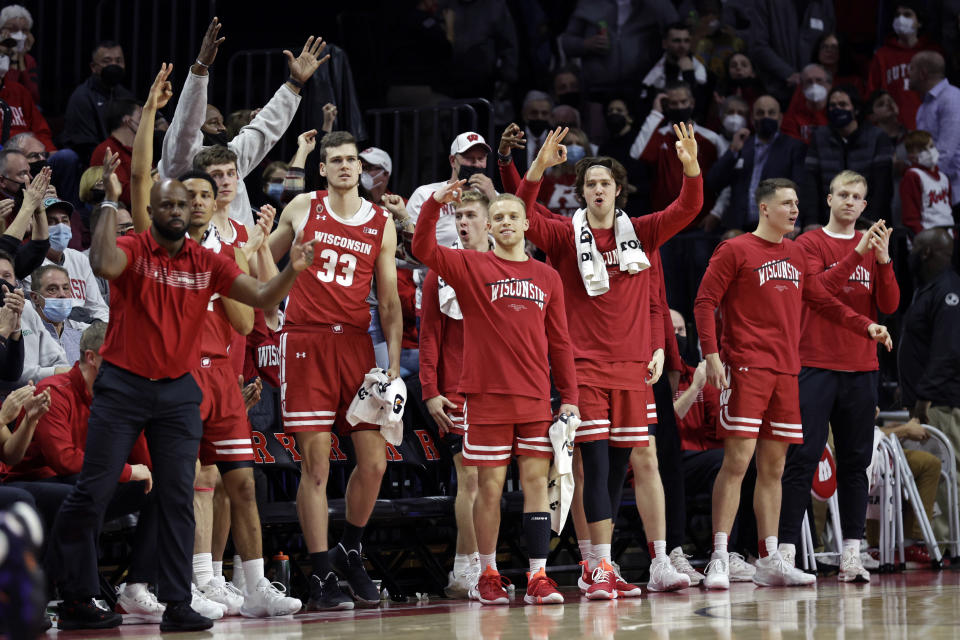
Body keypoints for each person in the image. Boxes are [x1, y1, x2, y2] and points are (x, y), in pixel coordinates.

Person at [46, 115, 319, 631]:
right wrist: (109, 199)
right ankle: (73, 593)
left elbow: (260, 298)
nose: (177, 209)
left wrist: (291, 270)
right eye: (167, 203)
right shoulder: (132, 249)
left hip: (176, 391)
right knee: (92, 491)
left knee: (177, 496)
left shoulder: (207, 261)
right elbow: (102, 263)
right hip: (122, 387)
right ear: (150, 210)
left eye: (184, 203)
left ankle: (177, 601)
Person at [516, 124, 702, 595]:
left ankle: (603, 565)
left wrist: (690, 167)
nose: (598, 190)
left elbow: (689, 207)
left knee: (620, 470)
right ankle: (596, 567)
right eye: (590, 184)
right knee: (594, 467)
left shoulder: (641, 233)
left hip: (633, 369)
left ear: (618, 190)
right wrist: (537, 167)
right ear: (581, 194)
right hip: (582, 369)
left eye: (605, 183)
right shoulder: (561, 236)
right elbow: (523, 212)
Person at [693, 177, 892, 590]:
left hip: (787, 372)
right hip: (746, 367)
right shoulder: (735, 249)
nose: (795, 210)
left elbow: (823, 296)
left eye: (797, 203)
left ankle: (770, 558)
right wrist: (711, 355)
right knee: (738, 462)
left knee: (775, 467)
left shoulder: (795, 253)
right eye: (786, 203)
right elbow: (704, 301)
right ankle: (719, 556)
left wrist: (865, 324)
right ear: (764, 208)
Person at [412, 176, 578, 607]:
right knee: (488, 486)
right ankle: (488, 573)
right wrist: (434, 203)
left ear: (526, 225)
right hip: (483, 396)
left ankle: (538, 575)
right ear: (487, 226)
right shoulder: (469, 266)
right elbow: (422, 250)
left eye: (513, 216)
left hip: (535, 397)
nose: (505, 222)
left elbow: (560, 342)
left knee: (536, 483)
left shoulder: (548, 277)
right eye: (498, 216)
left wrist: (571, 397)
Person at [268, 130, 402, 611]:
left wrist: (392, 365)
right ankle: (321, 571)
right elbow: (264, 262)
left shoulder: (382, 222)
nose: (347, 166)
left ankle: (350, 549)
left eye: (353, 160)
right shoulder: (303, 207)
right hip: (305, 341)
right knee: (317, 464)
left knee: (375, 462)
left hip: (356, 347)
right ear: (322, 168)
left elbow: (388, 301)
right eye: (337, 160)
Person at [177, 169, 301, 618]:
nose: (197, 202)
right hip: (182, 374)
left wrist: (226, 266)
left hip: (224, 378)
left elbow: (248, 324)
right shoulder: (162, 252)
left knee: (242, 484)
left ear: (215, 204)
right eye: (188, 195)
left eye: (205, 196)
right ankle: (196, 581)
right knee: (190, 482)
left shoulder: (227, 252)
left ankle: (253, 585)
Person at [778, 171, 900, 583]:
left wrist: (882, 261)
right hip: (814, 364)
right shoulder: (808, 243)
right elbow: (819, 292)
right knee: (802, 459)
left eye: (858, 197)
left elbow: (888, 303)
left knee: (855, 463)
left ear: (865, 206)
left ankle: (852, 553)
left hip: (862, 368)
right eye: (843, 194)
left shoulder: (874, 247)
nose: (850, 202)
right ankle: (786, 552)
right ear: (829, 199)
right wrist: (857, 253)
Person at [159, 17, 330, 227]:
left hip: (243, 255)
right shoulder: (183, 164)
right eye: (213, 122)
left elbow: (264, 129)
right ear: (200, 128)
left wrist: (294, 84)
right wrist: (200, 69)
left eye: (230, 174)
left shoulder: (233, 157)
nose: (221, 127)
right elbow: (185, 127)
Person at [418, 189, 490, 597]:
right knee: (470, 478)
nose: (462, 223)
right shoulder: (440, 271)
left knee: (491, 482)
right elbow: (429, 336)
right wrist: (430, 390)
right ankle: (466, 568)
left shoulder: (508, 265)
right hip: (457, 392)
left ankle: (482, 566)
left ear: (489, 220)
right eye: (458, 216)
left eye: (470, 215)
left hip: (499, 391)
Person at [899, 229, 960, 486]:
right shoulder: (929, 288)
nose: (909, 255)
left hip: (938, 407)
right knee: (929, 490)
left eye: (914, 249)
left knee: (941, 487)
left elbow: (948, 352)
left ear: (925, 252)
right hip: (930, 403)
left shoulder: (948, 290)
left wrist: (924, 396)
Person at [799, 85, 894, 228]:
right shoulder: (819, 138)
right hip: (829, 221)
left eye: (843, 104)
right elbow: (811, 183)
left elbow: (883, 186)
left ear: (855, 109)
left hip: (866, 220)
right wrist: (811, 221)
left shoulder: (877, 137)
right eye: (832, 106)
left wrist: (873, 221)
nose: (837, 109)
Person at [707, 95, 807, 231]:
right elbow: (713, 182)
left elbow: (799, 188)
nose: (766, 117)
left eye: (771, 113)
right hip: (740, 227)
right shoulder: (743, 145)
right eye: (760, 113)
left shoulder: (793, 147)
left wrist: (795, 221)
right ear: (752, 119)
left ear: (780, 118)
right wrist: (733, 151)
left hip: (775, 225)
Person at [559, 0, 679, 95]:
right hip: (597, 88)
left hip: (641, 86)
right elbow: (567, 43)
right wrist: (586, 44)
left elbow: (676, 30)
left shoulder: (653, 5)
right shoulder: (589, 3)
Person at [407, 131, 496, 247]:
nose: (476, 164)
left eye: (481, 158)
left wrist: (493, 198)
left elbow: (509, 241)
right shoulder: (424, 194)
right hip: (432, 263)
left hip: (477, 263)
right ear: (453, 161)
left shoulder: (493, 197)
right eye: (469, 158)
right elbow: (409, 246)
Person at [29, 195, 109, 323]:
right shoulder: (28, 263)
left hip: (88, 331)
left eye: (64, 221)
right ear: (36, 225)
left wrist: (100, 328)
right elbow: (37, 311)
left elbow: (98, 307)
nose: (60, 227)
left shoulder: (79, 259)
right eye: (51, 221)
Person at [868, 3, 941, 130]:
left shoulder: (935, 53)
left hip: (930, 129)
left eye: (907, 14)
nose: (901, 19)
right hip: (894, 131)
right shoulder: (882, 55)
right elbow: (872, 94)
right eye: (897, 15)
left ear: (919, 22)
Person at [61, 41, 135, 164]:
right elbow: (84, 146)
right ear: (93, 67)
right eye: (107, 61)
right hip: (93, 163)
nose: (114, 65)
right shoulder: (82, 97)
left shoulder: (126, 95)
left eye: (118, 61)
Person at [748, 0, 835, 102]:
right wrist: (788, 74)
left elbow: (830, 43)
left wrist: (815, 76)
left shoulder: (824, 3)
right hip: (776, 92)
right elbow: (758, 46)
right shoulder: (767, 3)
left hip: (815, 95)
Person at [911, 51, 960, 207]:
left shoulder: (952, 98)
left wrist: (924, 181)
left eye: (911, 69)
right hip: (937, 192)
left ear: (922, 73)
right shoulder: (924, 106)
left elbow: (946, 152)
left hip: (955, 191)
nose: (908, 75)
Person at [641, 22, 709, 117]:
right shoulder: (650, 71)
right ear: (665, 44)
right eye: (677, 41)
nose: (682, 45)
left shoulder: (701, 71)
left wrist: (688, 74)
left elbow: (699, 109)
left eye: (686, 41)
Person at [28, 265, 87, 365]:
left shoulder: (80, 338)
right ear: (35, 297)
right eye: (52, 289)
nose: (62, 294)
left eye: (65, 288)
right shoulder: (27, 337)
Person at [90, 100, 142, 207]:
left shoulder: (140, 150)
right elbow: (124, 195)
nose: (146, 123)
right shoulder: (106, 151)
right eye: (140, 117)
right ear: (127, 120)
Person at [900, 129, 953, 234]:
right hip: (927, 238)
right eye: (922, 150)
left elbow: (948, 210)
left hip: (949, 234)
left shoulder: (943, 178)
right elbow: (910, 215)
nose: (930, 151)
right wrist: (922, 238)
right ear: (911, 156)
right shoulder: (912, 175)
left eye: (931, 146)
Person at [781, 64, 831, 144]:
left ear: (829, 85)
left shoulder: (836, 111)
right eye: (809, 82)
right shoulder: (792, 116)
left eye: (819, 80)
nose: (814, 85)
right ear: (802, 87)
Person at [0, 4, 39, 103]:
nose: (19, 35)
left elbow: (33, 96)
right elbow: (7, 94)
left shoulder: (29, 60)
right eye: (12, 29)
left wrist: (20, 58)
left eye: (24, 30)